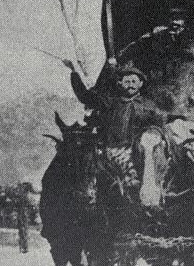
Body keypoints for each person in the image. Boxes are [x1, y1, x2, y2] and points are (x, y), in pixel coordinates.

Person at [66, 58, 165, 191]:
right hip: (113, 151)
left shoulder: (148, 105)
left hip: (139, 152)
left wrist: (153, 132)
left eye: (134, 81)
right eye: (127, 82)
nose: (130, 85)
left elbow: (158, 123)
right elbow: (85, 96)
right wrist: (74, 72)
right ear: (120, 83)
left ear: (140, 83)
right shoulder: (111, 103)